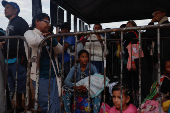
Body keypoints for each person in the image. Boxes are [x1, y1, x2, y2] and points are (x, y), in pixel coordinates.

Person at [24, 13, 63, 113]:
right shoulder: (29, 33)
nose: (48, 24)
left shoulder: (48, 36)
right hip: (40, 76)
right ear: (37, 21)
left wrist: (51, 39)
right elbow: (33, 42)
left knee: (55, 101)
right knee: (46, 102)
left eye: (49, 22)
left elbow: (60, 50)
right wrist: (45, 39)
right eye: (46, 21)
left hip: (53, 74)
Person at [1, 1, 29, 111]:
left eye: (8, 7)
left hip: (17, 59)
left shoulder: (20, 22)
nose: (5, 9)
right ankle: (19, 107)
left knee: (22, 86)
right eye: (5, 8)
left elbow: (26, 39)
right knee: (13, 87)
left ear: (15, 10)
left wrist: (23, 55)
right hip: (8, 60)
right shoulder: (10, 23)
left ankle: (27, 106)